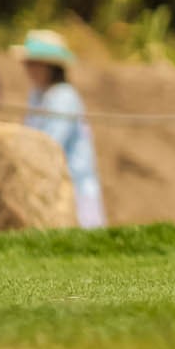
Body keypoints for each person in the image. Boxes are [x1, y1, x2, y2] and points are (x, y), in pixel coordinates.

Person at [12, 29, 104, 228]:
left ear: (49, 67)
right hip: (51, 185)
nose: (28, 69)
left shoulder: (64, 97)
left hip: (74, 187)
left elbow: (50, 142)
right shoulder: (37, 95)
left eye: (34, 63)